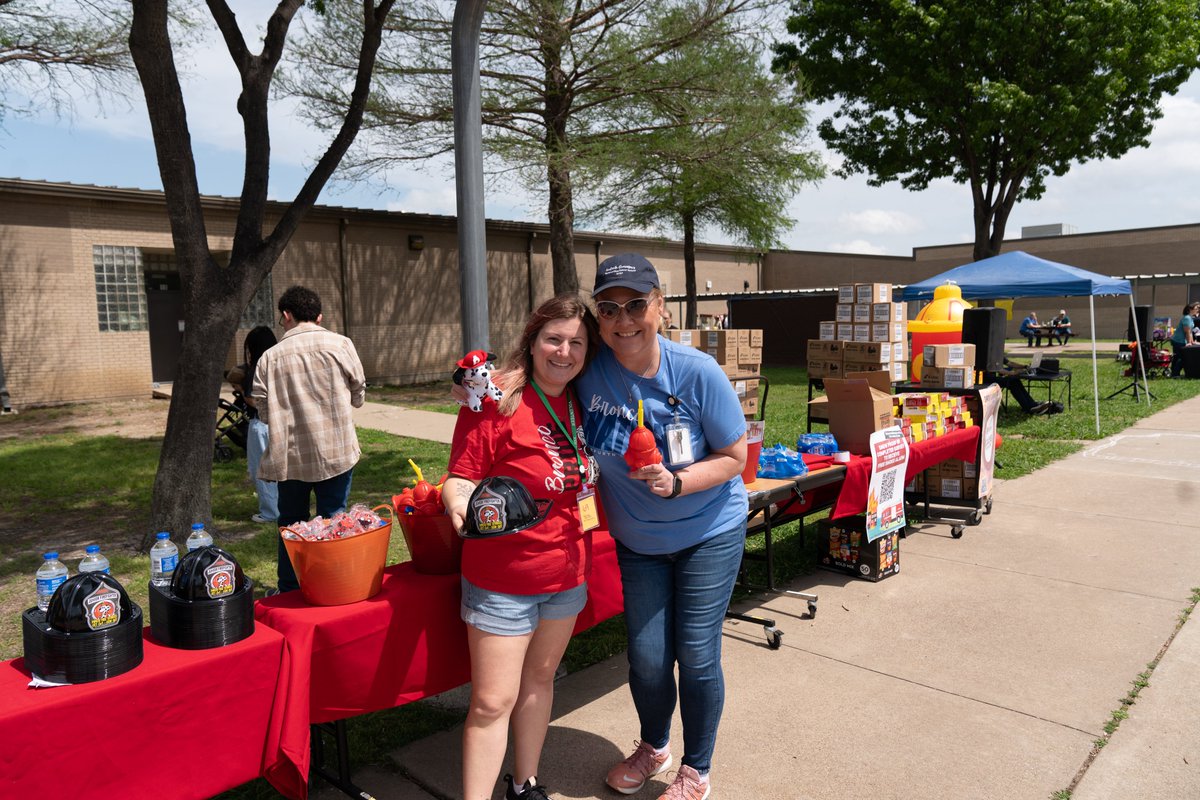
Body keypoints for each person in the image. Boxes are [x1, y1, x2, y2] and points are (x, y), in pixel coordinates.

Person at [579, 253, 748, 800]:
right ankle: (655, 746)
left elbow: (735, 456)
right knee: (649, 658)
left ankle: (697, 768)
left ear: (660, 307)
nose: (623, 319)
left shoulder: (696, 372)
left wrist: (679, 483)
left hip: (708, 530)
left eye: (635, 304)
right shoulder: (589, 369)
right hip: (639, 542)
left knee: (696, 654)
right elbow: (539, 360)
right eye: (609, 308)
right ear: (597, 317)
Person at [442, 294, 600, 800]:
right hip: (502, 580)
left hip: (566, 573)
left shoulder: (583, 399)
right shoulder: (496, 399)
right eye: (554, 339)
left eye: (576, 342)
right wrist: (459, 505)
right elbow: (461, 476)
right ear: (531, 342)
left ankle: (523, 783)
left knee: (540, 681)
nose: (564, 351)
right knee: (492, 701)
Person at [251, 285, 366, 592]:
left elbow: (262, 410)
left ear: (286, 315)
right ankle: (334, 584)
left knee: (291, 523)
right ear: (319, 316)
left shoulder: (269, 358)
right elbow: (358, 396)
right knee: (334, 519)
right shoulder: (341, 345)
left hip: (290, 458)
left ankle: (289, 589)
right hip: (337, 452)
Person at [240, 326, 279, 524]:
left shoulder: (257, 367)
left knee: (262, 470)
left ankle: (270, 512)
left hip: (261, 424)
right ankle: (280, 507)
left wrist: (239, 387)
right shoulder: (279, 363)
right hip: (281, 424)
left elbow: (250, 398)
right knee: (281, 470)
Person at [984, 358, 1061, 415]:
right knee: (1012, 382)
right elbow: (997, 369)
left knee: (1015, 380)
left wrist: (1024, 366)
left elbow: (1010, 363)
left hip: (994, 377)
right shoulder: (989, 353)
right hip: (986, 379)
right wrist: (1013, 373)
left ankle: (1032, 405)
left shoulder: (997, 352)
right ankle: (1029, 408)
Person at [1169, 301, 1199, 377]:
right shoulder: (1187, 318)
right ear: (1190, 309)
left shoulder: (1190, 318)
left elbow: (1190, 332)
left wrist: (1192, 342)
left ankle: (1174, 373)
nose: (1198, 310)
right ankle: (1175, 374)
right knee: (1182, 357)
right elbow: (1187, 332)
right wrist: (1189, 343)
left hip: (1180, 340)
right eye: (1196, 308)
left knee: (1177, 357)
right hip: (1179, 341)